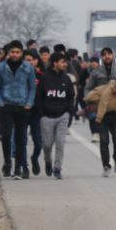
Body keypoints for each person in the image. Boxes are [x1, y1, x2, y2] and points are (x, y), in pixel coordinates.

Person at [0, 39, 36, 180]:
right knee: (5, 135)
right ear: (8, 53)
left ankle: (18, 167)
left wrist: (29, 103)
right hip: (6, 105)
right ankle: (7, 162)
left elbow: (32, 87)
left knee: (20, 138)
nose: (15, 54)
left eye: (18, 52)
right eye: (13, 52)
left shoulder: (28, 68)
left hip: (22, 106)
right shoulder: (1, 68)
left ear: (21, 53)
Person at [84, 69, 116, 177]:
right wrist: (98, 119)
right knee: (104, 141)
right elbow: (103, 104)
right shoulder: (109, 90)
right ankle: (106, 166)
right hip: (103, 116)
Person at [39, 51, 76, 179]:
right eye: (62, 62)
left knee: (60, 142)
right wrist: (42, 113)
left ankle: (57, 168)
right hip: (47, 116)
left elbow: (71, 97)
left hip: (62, 116)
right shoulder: (44, 78)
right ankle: (48, 161)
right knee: (47, 144)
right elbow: (39, 97)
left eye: (65, 62)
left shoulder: (66, 79)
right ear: (55, 63)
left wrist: (69, 113)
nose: (65, 64)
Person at [24, 48, 46, 175]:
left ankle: (34, 158)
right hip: (22, 111)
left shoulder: (42, 76)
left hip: (37, 113)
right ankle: (24, 165)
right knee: (22, 141)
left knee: (38, 142)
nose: (29, 62)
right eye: (26, 60)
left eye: (31, 60)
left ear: (36, 61)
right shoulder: (19, 75)